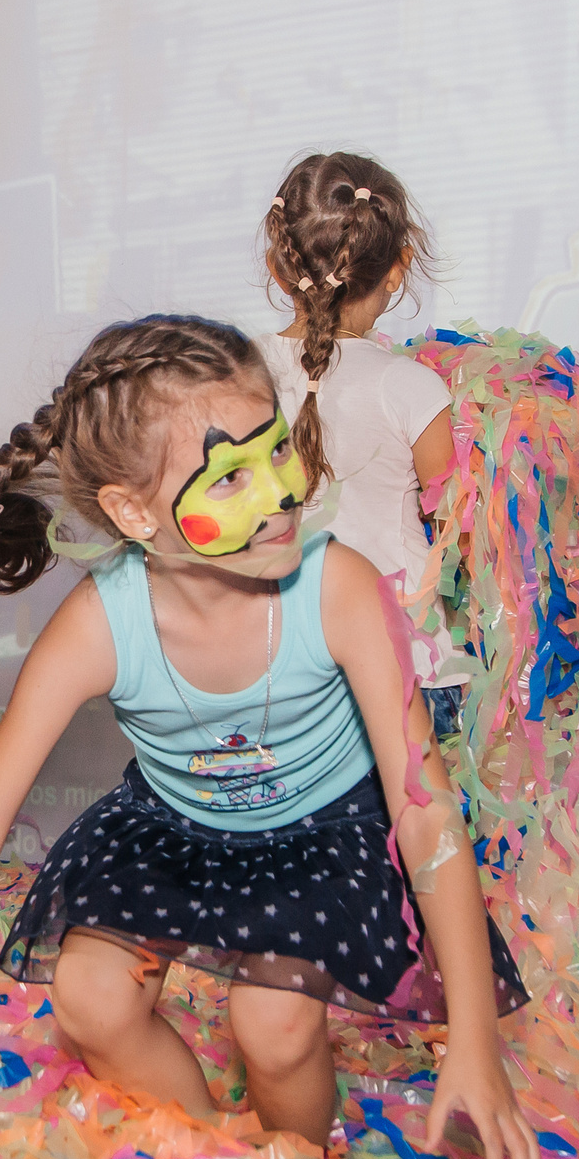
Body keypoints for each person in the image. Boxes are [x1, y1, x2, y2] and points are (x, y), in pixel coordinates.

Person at [0, 317, 539, 1159]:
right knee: (88, 997)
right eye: (231, 475)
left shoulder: (339, 589)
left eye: (277, 450)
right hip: (177, 827)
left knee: (273, 1026)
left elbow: (424, 809)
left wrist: (475, 1039)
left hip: (324, 830)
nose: (279, 494)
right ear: (129, 511)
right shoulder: (101, 622)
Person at [252, 153, 468, 734]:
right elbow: (459, 529)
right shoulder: (412, 387)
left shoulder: (235, 374)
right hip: (410, 668)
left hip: (281, 671)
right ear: (399, 268)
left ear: (278, 266)